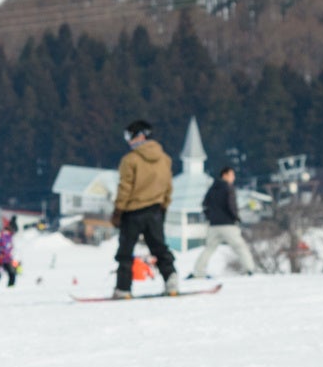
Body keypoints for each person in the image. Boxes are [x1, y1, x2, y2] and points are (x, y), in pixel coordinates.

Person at [110, 119, 176, 298]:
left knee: (125, 251)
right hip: (155, 209)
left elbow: (125, 188)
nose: (128, 141)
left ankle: (123, 288)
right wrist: (164, 206)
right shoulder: (165, 159)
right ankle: (171, 279)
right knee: (159, 247)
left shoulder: (130, 160)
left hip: (133, 212)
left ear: (140, 136)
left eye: (129, 136)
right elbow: (168, 186)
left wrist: (118, 210)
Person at [189, 164, 259, 279]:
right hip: (228, 224)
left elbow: (204, 205)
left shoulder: (212, 188)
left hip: (213, 225)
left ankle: (198, 271)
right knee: (240, 247)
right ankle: (250, 269)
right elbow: (231, 205)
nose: (233, 177)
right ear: (225, 175)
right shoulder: (228, 187)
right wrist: (236, 217)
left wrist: (210, 217)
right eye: (232, 175)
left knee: (209, 248)